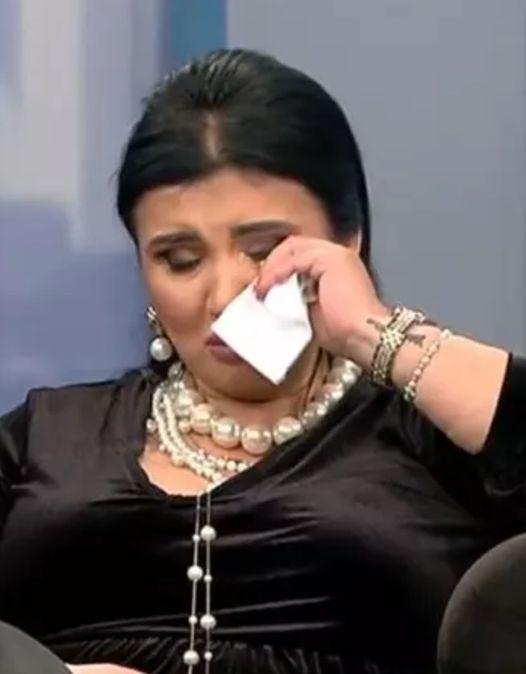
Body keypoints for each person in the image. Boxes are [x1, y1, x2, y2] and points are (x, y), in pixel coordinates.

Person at [0, 48, 524, 674]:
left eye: (266, 249)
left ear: (347, 241)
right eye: (179, 260)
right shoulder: (50, 435)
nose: (224, 295)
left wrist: (374, 332)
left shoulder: (430, 435)